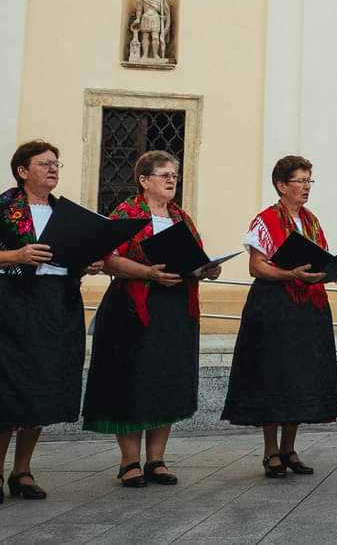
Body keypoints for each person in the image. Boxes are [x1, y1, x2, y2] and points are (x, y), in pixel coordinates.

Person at [0, 140, 95, 504]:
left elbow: (70, 257)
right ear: (22, 171)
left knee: (40, 384)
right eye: (45, 163)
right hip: (7, 301)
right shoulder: (2, 207)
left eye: (57, 164)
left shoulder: (66, 213)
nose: (53, 169)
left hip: (54, 304)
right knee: (4, 385)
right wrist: (15, 255)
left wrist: (87, 262)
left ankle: (23, 470)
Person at [81, 151, 220, 487]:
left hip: (173, 307)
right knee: (131, 380)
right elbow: (107, 259)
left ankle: (156, 459)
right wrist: (147, 272)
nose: (172, 180)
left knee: (165, 378)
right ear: (144, 180)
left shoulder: (180, 218)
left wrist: (206, 269)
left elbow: (193, 259)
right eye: (164, 174)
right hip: (132, 306)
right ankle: (129, 462)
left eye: (174, 175)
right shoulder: (126, 214)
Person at [222, 155, 337, 477]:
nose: (306, 188)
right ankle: (271, 451)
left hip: (308, 306)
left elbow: (319, 261)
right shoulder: (265, 220)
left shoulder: (312, 221)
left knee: (300, 375)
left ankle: (290, 448)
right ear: (281, 185)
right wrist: (290, 274)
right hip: (274, 304)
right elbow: (256, 266)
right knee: (273, 374)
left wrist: (336, 272)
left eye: (308, 181)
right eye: (300, 181)